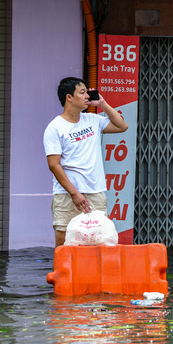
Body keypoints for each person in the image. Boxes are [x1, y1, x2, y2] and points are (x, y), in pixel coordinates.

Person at [43, 77, 128, 247]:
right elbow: (54, 164)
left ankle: (93, 274)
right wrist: (74, 193)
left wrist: (102, 103)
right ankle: (63, 274)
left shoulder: (92, 120)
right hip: (67, 194)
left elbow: (121, 126)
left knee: (99, 239)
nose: (87, 96)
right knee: (63, 240)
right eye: (82, 93)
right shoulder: (55, 127)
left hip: (95, 191)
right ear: (69, 97)